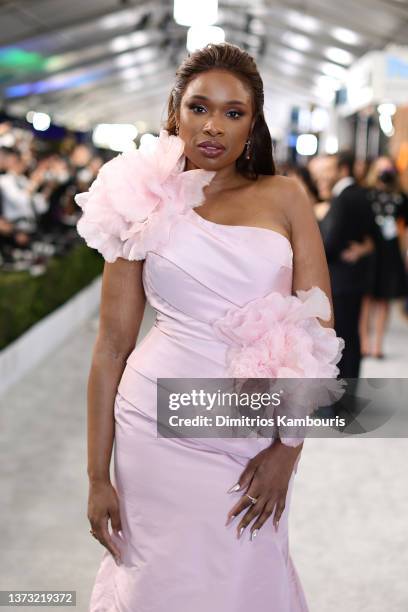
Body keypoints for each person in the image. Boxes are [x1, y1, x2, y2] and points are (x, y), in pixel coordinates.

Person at [75, 43, 344, 612]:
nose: (213, 126)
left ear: (254, 123)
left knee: (246, 570)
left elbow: (317, 329)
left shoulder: (285, 196)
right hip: (152, 424)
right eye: (199, 108)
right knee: (157, 581)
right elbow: (111, 346)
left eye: (233, 112)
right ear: (174, 113)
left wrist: (288, 450)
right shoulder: (137, 200)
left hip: (252, 430)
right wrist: (98, 475)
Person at [314, 152, 376, 378]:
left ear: (342, 170)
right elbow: (373, 234)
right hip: (354, 277)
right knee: (350, 335)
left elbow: (331, 242)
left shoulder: (343, 197)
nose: (324, 175)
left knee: (340, 337)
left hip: (340, 279)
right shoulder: (361, 194)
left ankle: (341, 395)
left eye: (329, 169)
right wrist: (364, 248)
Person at [359, 156, 408, 358]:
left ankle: (378, 344)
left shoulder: (400, 197)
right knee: (366, 298)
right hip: (370, 251)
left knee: (384, 299)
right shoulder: (366, 194)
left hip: (390, 252)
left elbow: (404, 228)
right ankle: (364, 342)